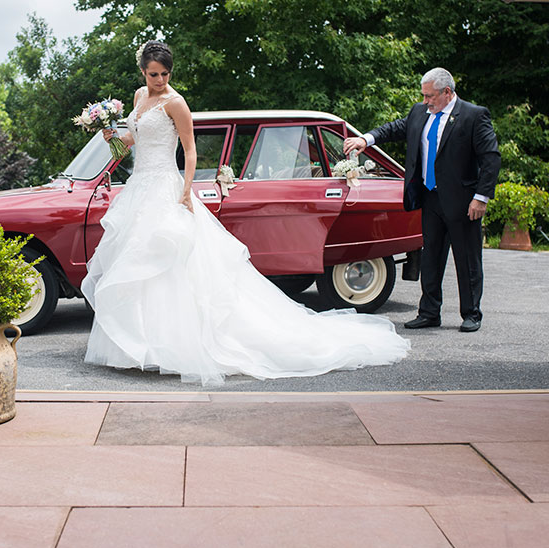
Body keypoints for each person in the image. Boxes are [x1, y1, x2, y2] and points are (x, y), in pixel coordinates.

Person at [80, 40, 410, 386]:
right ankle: (144, 345)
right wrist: (111, 135)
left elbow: (190, 151)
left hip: (166, 187)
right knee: (141, 266)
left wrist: (186, 192)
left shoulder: (176, 103)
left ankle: (178, 346)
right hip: (139, 189)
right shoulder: (138, 97)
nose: (159, 80)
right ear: (142, 72)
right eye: (153, 74)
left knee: (174, 264)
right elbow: (136, 139)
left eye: (164, 74)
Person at [344, 68, 500, 333]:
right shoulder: (420, 113)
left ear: (447, 92)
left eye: (430, 96)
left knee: (467, 260)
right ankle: (429, 312)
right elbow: (394, 128)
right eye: (424, 96)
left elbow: (491, 159)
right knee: (431, 259)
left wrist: (480, 198)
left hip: (463, 202)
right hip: (430, 198)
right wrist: (365, 139)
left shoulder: (474, 116)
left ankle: (471, 313)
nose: (425, 101)